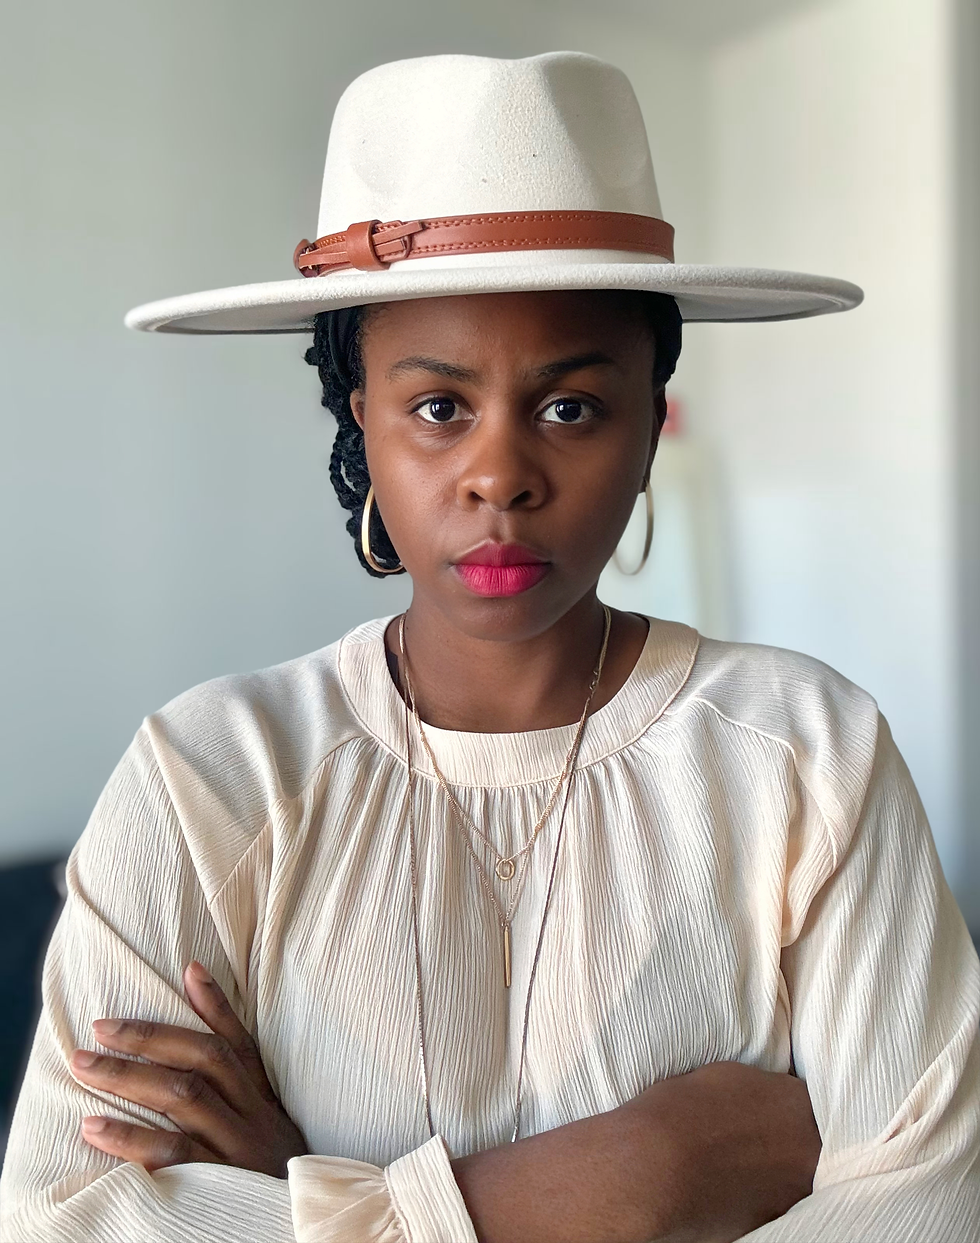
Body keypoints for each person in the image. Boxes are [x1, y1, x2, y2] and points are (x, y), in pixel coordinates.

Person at [1, 50, 977, 1243]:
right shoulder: (209, 773)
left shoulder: (805, 754)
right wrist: (641, 1173)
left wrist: (296, 1194)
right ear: (357, 413)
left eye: (570, 406)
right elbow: (66, 1219)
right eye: (438, 407)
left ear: (649, 420)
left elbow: (929, 1205)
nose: (501, 476)